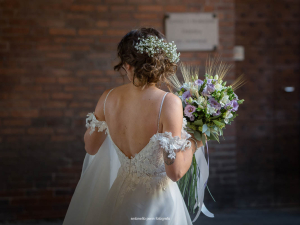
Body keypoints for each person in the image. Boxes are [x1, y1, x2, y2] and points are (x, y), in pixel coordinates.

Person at [63, 27, 205, 225]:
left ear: (128, 65)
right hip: (157, 206)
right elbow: (176, 172)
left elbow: (91, 147)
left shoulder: (107, 98)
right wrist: (195, 143)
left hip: (119, 198)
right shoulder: (168, 102)